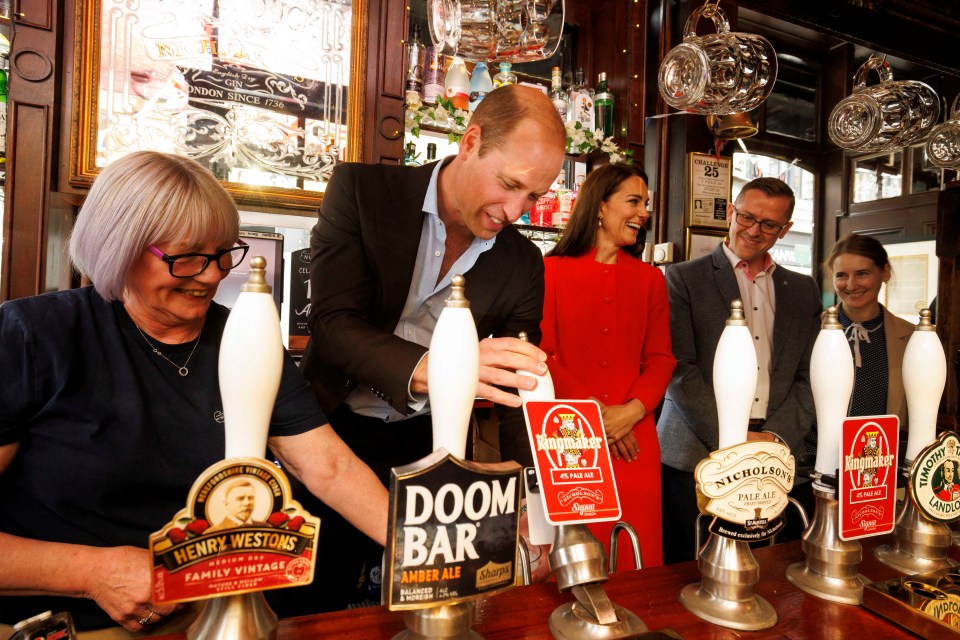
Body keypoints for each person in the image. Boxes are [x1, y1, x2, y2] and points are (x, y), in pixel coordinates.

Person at [0, 151, 389, 635]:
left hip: (210, 615)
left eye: (225, 253)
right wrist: (92, 573)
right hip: (64, 623)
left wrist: (431, 547)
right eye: (187, 258)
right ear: (118, 245)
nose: (212, 275)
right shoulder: (34, 335)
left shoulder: (244, 337)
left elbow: (328, 467)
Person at [295, 83, 567, 610]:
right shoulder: (362, 190)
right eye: (509, 184)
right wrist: (437, 368)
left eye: (533, 196)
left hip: (433, 443)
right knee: (314, 603)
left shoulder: (521, 261)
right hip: (331, 436)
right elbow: (332, 324)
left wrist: (532, 510)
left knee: (427, 605)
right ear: (469, 143)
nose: (515, 211)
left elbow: (517, 388)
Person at [658, 177, 822, 565]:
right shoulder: (684, 278)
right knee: (688, 569)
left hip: (776, 450)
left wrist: (772, 435)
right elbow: (678, 368)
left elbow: (811, 374)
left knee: (773, 570)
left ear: (785, 230)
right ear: (730, 212)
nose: (754, 229)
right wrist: (732, 435)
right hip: (695, 451)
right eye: (747, 216)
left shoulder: (804, 289)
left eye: (769, 224)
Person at [540, 164, 676, 569]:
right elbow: (542, 354)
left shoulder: (651, 279)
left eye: (646, 204)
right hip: (570, 437)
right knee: (575, 553)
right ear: (599, 207)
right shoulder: (549, 271)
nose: (644, 213)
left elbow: (661, 358)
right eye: (633, 201)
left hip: (635, 440)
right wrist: (596, 417)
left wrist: (632, 411)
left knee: (635, 552)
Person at [824, 234, 914, 424]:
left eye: (862, 273)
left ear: (885, 272)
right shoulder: (811, 331)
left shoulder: (912, 337)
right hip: (814, 451)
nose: (851, 285)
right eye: (841, 275)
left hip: (883, 450)